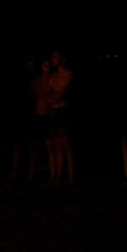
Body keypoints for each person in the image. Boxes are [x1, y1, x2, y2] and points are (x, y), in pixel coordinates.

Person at [47, 51, 76, 186]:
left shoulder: (68, 74)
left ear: (63, 59)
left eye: (55, 57)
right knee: (57, 144)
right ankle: (58, 176)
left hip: (64, 111)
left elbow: (59, 95)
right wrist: (53, 96)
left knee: (66, 145)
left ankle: (71, 177)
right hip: (54, 111)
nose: (53, 59)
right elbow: (46, 94)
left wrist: (54, 96)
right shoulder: (54, 76)